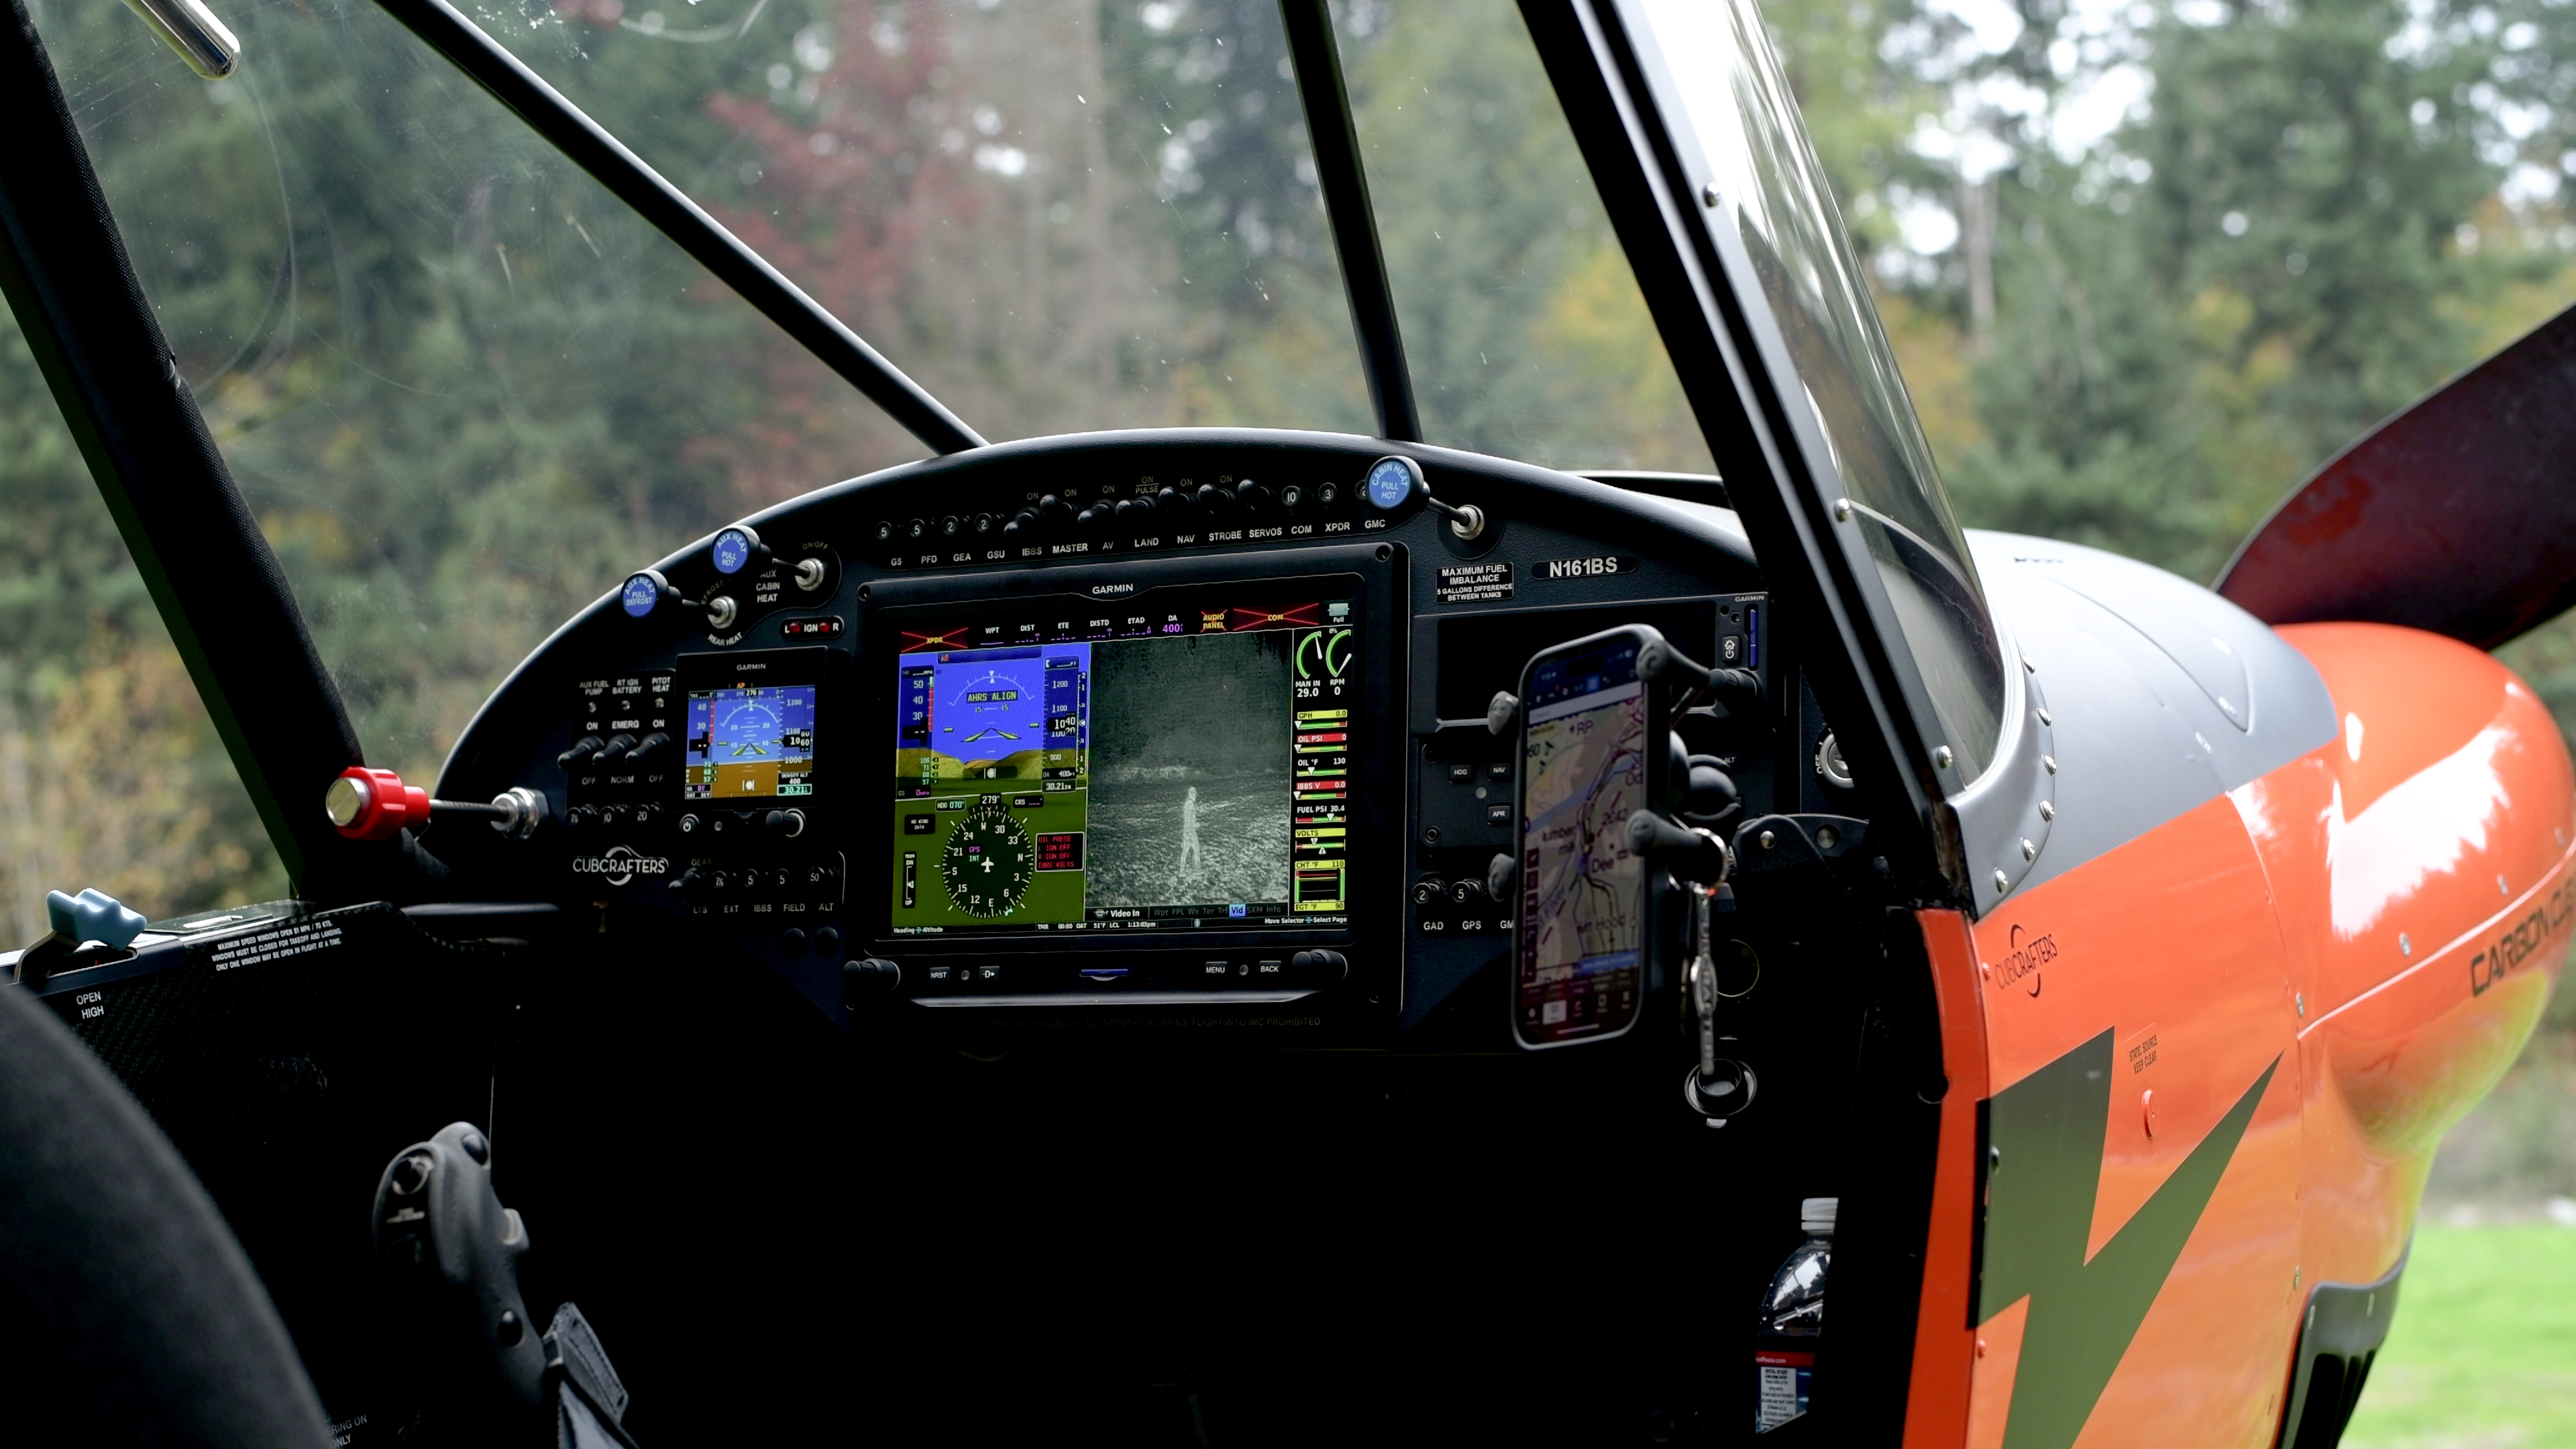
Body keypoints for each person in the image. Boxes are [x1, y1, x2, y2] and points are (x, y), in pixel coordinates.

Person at [1178, 785, 1202, 876]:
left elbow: (1187, 820)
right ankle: (1197, 870)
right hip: (1191, 832)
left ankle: (1182, 871)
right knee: (1196, 850)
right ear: (1191, 794)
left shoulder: (1188, 804)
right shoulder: (1190, 804)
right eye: (1194, 795)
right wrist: (1190, 831)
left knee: (1185, 851)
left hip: (1188, 831)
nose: (1195, 796)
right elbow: (1188, 820)